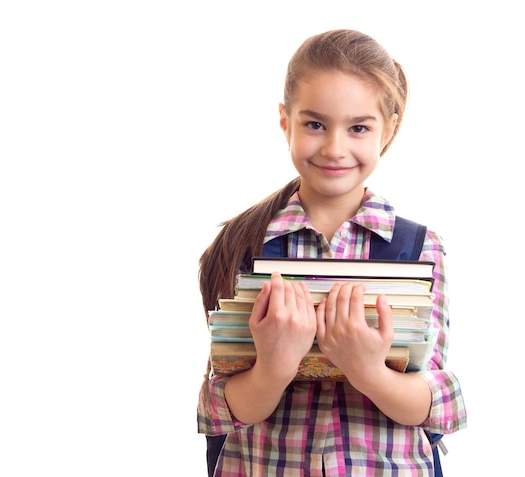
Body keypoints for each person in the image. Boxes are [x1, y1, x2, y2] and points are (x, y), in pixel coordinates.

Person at [196, 29, 467, 476]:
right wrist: (276, 365)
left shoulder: (419, 249)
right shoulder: (244, 246)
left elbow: (437, 404)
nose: (335, 148)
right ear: (285, 121)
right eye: (314, 124)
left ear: (388, 129)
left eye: (358, 127)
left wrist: (367, 370)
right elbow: (218, 407)